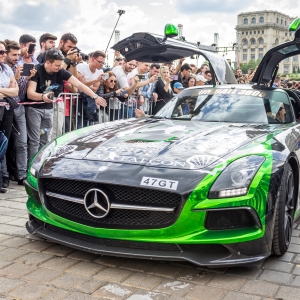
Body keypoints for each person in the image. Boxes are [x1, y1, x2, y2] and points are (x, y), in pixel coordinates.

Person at [26, 49, 107, 162]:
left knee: (45, 140)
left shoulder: (61, 71)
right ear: (48, 62)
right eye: (57, 65)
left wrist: (95, 97)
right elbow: (30, 93)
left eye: (61, 65)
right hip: (35, 109)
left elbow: (79, 84)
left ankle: (41, 164)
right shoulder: (37, 69)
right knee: (34, 140)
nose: (60, 67)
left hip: (49, 109)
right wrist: (42, 97)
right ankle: (31, 165)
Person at [4, 40, 36, 185]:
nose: (17, 57)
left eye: (18, 54)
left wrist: (26, 78)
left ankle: (22, 175)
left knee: (22, 142)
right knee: (5, 143)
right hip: (5, 107)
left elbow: (19, 91)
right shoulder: (5, 69)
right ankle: (5, 175)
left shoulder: (16, 67)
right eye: (14, 54)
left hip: (18, 107)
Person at [0, 41, 19, 190]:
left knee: (4, 144)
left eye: (4, 52)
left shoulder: (6, 68)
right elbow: (11, 90)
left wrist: (2, 91)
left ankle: (3, 177)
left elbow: (15, 92)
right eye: (0, 52)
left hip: (6, 109)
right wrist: (8, 90)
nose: (3, 55)